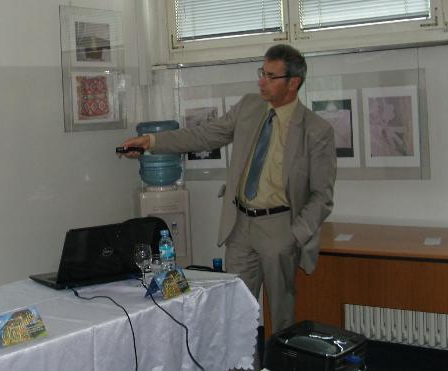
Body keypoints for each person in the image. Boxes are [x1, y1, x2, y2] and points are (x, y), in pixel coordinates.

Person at [119, 44, 336, 332]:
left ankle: (277, 357)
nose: (261, 81)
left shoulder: (316, 130)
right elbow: (205, 135)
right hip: (240, 225)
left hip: (280, 227)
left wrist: (294, 235)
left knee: (281, 315)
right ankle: (245, 358)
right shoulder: (249, 107)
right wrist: (152, 142)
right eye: (261, 73)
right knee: (237, 313)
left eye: (270, 76)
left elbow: (322, 195)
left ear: (293, 82)